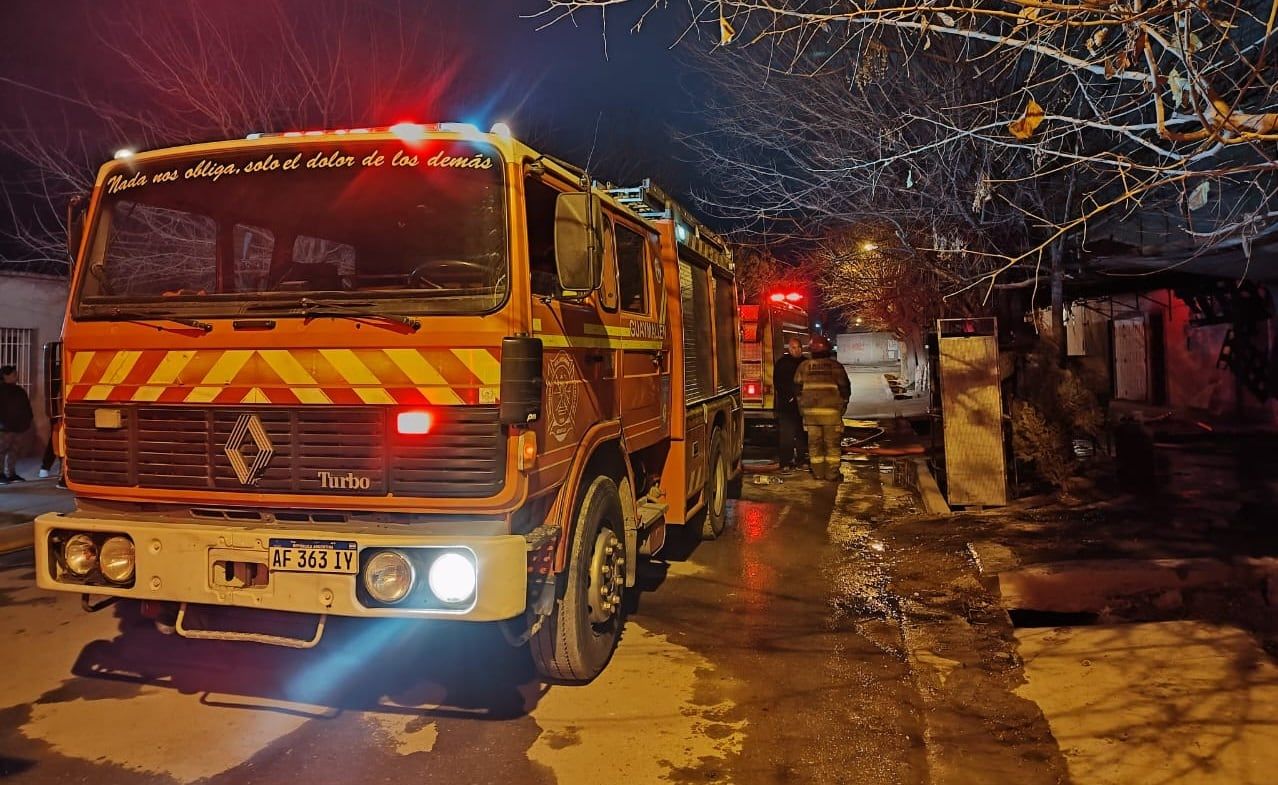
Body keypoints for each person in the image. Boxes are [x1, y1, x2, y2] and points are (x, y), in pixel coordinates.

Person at [793, 335, 851, 481]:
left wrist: (802, 410)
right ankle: (832, 475)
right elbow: (845, 389)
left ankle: (818, 473)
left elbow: (797, 389)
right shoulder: (836, 366)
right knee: (832, 446)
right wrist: (842, 407)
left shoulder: (804, 367)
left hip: (811, 415)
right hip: (832, 414)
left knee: (814, 445)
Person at [773, 337, 807, 471]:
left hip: (802, 405)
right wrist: (789, 397)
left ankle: (801, 460)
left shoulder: (805, 363)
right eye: (793, 347)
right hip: (787, 405)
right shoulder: (782, 363)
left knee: (800, 433)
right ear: (789, 349)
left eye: (798, 347)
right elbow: (778, 383)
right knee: (786, 435)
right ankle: (785, 462)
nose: (796, 350)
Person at [0, 365, 34, 485]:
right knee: (1, 451)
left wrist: (27, 421)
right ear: (5, 376)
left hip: (18, 428)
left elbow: (27, 408)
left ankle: (11, 473)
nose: (16, 376)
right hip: (4, 428)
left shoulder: (19, 390)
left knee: (13, 451)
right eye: (14, 374)